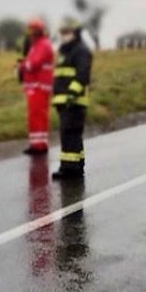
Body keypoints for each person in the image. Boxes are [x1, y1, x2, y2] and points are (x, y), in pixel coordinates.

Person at [52, 19, 92, 180]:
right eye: (61, 32)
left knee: (70, 134)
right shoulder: (65, 50)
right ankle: (75, 165)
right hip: (63, 100)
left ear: (75, 32)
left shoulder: (81, 51)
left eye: (66, 32)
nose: (62, 36)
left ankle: (70, 169)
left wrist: (71, 94)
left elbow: (82, 75)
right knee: (70, 135)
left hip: (74, 101)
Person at [17, 19, 55, 155]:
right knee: (37, 116)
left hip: (39, 86)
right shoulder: (38, 45)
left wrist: (22, 65)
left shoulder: (43, 45)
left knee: (37, 116)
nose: (29, 35)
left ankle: (38, 146)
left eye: (31, 31)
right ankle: (38, 144)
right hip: (37, 87)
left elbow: (33, 64)